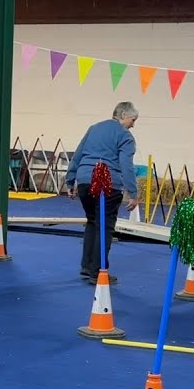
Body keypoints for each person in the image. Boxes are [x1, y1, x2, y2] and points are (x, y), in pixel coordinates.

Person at [65, 101, 139, 283]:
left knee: (92, 222)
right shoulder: (126, 136)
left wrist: (70, 180)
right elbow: (126, 165)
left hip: (84, 181)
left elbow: (78, 154)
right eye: (133, 119)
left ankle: (87, 265)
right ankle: (98, 271)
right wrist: (133, 192)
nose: (133, 125)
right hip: (108, 185)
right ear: (122, 116)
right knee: (105, 226)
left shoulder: (94, 128)